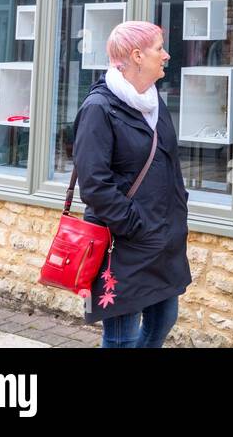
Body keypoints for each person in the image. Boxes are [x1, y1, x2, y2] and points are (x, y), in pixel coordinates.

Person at [72, 20, 191, 347]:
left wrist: (178, 206)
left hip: (162, 238)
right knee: (121, 337)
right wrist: (134, 223)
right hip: (124, 242)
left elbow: (167, 163)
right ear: (137, 56)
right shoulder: (100, 108)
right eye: (159, 48)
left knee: (163, 320)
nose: (166, 55)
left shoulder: (153, 103)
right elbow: (94, 184)